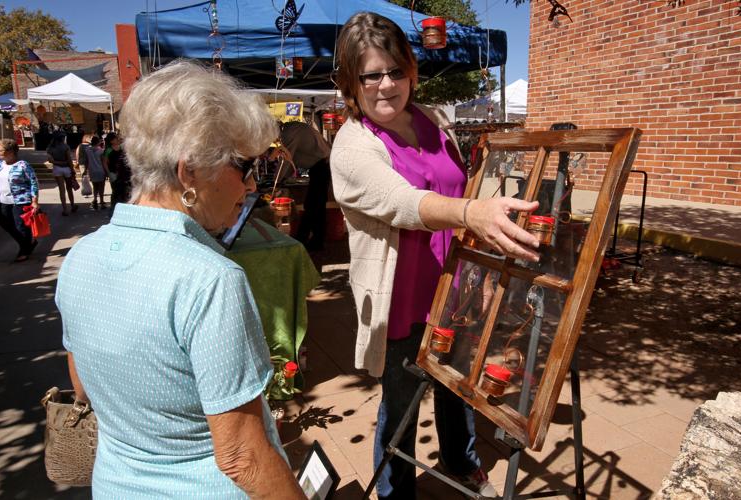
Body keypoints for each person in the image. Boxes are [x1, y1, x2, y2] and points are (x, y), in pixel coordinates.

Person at [55, 61, 305, 499]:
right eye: (245, 167)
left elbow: (82, 387)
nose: (250, 187)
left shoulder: (80, 255)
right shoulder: (209, 279)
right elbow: (241, 458)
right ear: (190, 172)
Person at [330, 12, 540, 499]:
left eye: (396, 71)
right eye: (371, 75)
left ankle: (461, 460)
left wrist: (479, 240)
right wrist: (471, 212)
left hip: (452, 287)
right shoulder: (352, 146)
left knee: (456, 384)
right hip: (401, 298)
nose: (387, 85)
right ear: (350, 82)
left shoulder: (434, 120)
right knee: (402, 403)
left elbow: (458, 185)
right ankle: (394, 490)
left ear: (412, 72)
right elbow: (403, 202)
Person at [0, 139, 39, 261]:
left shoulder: (23, 165)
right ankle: (28, 243)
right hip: (2, 200)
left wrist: (34, 201)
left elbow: (33, 183)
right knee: (4, 223)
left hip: (21, 201)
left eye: (0, 150)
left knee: (21, 226)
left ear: (10, 151)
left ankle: (24, 251)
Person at [278, 120, 332, 251]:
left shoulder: (290, 133)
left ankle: (310, 241)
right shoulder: (291, 129)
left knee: (314, 206)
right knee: (314, 205)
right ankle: (310, 240)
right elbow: (291, 160)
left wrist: (278, 180)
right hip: (320, 165)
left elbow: (287, 159)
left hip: (322, 165)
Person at [46, 131, 78, 215]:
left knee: (61, 190)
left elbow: (50, 160)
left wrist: (57, 163)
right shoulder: (65, 147)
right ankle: (72, 205)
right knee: (69, 188)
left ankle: (65, 209)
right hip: (66, 168)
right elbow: (69, 160)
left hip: (57, 169)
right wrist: (72, 169)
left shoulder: (50, 148)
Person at [76, 134, 107, 209]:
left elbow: (86, 162)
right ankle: (102, 202)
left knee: (95, 186)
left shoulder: (87, 151)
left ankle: (95, 199)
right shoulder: (101, 151)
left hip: (92, 171)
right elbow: (103, 162)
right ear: (98, 142)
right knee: (101, 187)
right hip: (100, 170)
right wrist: (106, 171)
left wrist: (85, 170)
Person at [103, 132, 131, 210]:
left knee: (124, 191)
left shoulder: (122, 148)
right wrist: (108, 173)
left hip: (123, 173)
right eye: (116, 138)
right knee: (115, 191)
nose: (118, 139)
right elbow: (105, 162)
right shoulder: (109, 150)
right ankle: (114, 208)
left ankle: (123, 207)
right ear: (111, 141)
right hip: (113, 173)